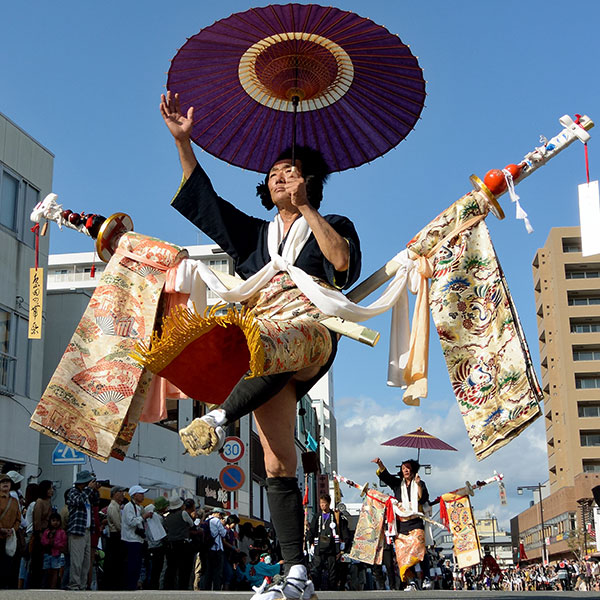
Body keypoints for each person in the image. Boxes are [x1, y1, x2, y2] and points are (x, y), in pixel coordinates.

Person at [160, 90, 361, 599]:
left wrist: (308, 209)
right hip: (264, 343)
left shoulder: (334, 225)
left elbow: (341, 264)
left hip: (311, 331)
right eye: (274, 173)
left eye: (291, 171)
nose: (280, 177)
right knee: (276, 463)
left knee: (274, 345)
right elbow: (204, 203)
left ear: (310, 182)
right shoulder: (255, 235)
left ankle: (219, 417)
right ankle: (297, 574)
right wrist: (184, 143)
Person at [372, 457, 429, 590]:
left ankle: (426, 577)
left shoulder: (420, 483)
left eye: (408, 468)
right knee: (402, 554)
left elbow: (423, 498)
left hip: (416, 522)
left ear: (413, 470)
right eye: (403, 468)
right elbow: (386, 477)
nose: (406, 470)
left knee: (418, 548)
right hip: (402, 524)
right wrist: (380, 464)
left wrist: (418, 484)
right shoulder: (398, 484)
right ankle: (411, 580)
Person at [308, 494, 349, 591]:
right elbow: (312, 530)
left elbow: (343, 530)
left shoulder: (335, 515)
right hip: (319, 547)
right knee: (317, 568)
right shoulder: (317, 516)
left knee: (332, 570)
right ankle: (317, 587)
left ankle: (332, 588)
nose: (322, 505)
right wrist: (309, 542)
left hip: (332, 548)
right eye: (321, 503)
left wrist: (343, 546)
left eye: (324, 503)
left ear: (329, 503)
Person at [65, 470, 96, 590]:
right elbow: (78, 501)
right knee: (76, 561)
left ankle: (82, 585)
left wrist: (94, 489)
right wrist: (88, 489)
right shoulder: (73, 492)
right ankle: (74, 585)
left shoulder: (87, 494)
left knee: (86, 562)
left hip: (87, 530)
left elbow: (96, 501)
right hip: (77, 531)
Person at [121, 485, 151, 590]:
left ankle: (133, 584)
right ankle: (130, 585)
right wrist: (143, 517)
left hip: (138, 539)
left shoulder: (138, 507)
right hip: (131, 539)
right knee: (132, 564)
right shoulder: (129, 506)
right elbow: (131, 522)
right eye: (141, 494)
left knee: (137, 564)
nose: (143, 496)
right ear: (134, 495)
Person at [163, 494, 194, 590]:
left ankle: (168, 586)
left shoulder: (167, 517)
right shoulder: (183, 513)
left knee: (171, 567)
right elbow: (191, 524)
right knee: (184, 568)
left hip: (171, 543)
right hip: (183, 543)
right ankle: (183, 587)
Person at [30, 479, 55, 588]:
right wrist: (40, 534)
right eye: (50, 488)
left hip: (47, 533)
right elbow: (37, 520)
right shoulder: (40, 502)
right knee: (38, 561)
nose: (52, 491)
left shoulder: (49, 501)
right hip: (40, 534)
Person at [0, 473, 21, 589]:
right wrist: (1, 529)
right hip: (0, 535)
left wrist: (13, 529)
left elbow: (18, 518)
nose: (5, 484)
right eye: (3, 482)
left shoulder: (14, 501)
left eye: (7, 482)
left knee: (8, 564)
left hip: (10, 537)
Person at [103, 485, 126, 589]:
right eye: (121, 492)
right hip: (115, 536)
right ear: (115, 493)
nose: (123, 495)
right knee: (114, 562)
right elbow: (118, 525)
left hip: (116, 536)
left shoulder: (116, 506)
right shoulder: (113, 507)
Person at [201, 506, 228, 591]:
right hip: (216, 549)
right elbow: (223, 534)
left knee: (208, 570)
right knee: (217, 571)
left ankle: (206, 588)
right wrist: (223, 527)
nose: (221, 517)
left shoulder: (207, 520)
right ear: (218, 514)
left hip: (208, 548)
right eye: (221, 515)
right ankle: (216, 588)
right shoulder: (216, 521)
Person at [145, 496, 168, 589]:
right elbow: (162, 534)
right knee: (156, 570)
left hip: (149, 546)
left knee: (150, 570)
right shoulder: (159, 518)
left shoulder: (150, 515)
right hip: (157, 547)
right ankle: (154, 588)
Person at [41, 512, 67, 589]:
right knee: (46, 571)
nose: (56, 522)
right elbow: (43, 541)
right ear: (50, 521)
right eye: (53, 520)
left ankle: (53, 587)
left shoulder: (61, 532)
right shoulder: (47, 531)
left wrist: (54, 543)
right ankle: (45, 586)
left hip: (56, 554)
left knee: (55, 571)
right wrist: (49, 542)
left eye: (57, 520)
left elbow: (63, 543)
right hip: (47, 554)